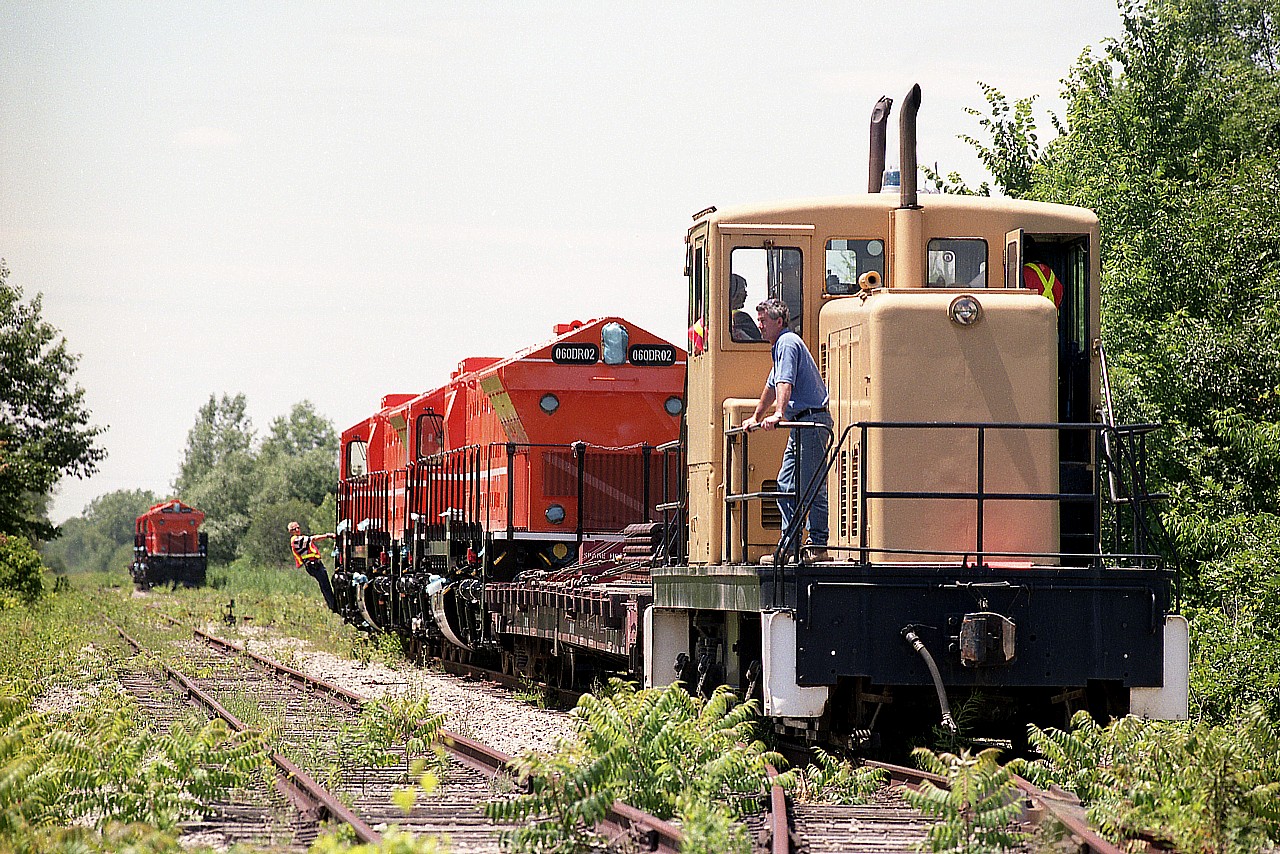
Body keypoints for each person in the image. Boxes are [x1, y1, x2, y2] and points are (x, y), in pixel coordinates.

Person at [741, 298, 831, 562]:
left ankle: (818, 547)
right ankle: (789, 546)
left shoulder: (787, 343)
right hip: (800, 424)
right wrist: (756, 417)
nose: (760, 326)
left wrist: (778, 413)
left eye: (764, 321)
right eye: (758, 320)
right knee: (785, 483)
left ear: (779, 322)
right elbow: (771, 386)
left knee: (810, 485)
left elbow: (784, 382)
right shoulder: (780, 347)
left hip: (810, 422)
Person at [289, 521, 337, 611]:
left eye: (298, 528)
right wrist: (328, 535)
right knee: (325, 585)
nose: (297, 530)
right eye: (294, 529)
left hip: (315, 564)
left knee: (325, 584)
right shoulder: (296, 540)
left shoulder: (300, 538)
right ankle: (333, 605)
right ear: (291, 532)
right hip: (313, 565)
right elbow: (313, 538)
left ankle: (333, 604)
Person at [729, 274, 763, 342]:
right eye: (743, 291)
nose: (746, 295)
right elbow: (758, 342)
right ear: (735, 294)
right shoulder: (740, 317)